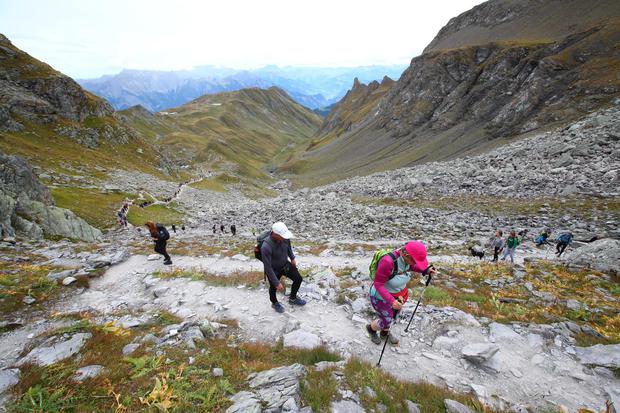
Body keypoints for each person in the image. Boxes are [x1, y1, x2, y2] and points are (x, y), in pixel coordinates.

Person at [366, 241, 435, 346]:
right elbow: (378, 284)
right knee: (386, 320)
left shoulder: (406, 260)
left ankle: (384, 333)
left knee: (393, 317)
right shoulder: (388, 262)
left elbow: (411, 267)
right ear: (406, 255)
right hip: (380, 297)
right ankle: (371, 329)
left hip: (398, 296)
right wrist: (392, 301)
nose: (416, 264)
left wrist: (425, 270)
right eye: (415, 261)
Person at [260, 222, 305, 313]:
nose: (285, 237)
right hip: (273, 269)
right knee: (273, 288)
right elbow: (268, 267)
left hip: (285, 264)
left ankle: (293, 298)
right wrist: (277, 283)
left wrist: (292, 258)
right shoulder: (266, 247)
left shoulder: (285, 238)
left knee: (298, 278)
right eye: (283, 236)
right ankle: (274, 303)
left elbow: (289, 248)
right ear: (275, 234)